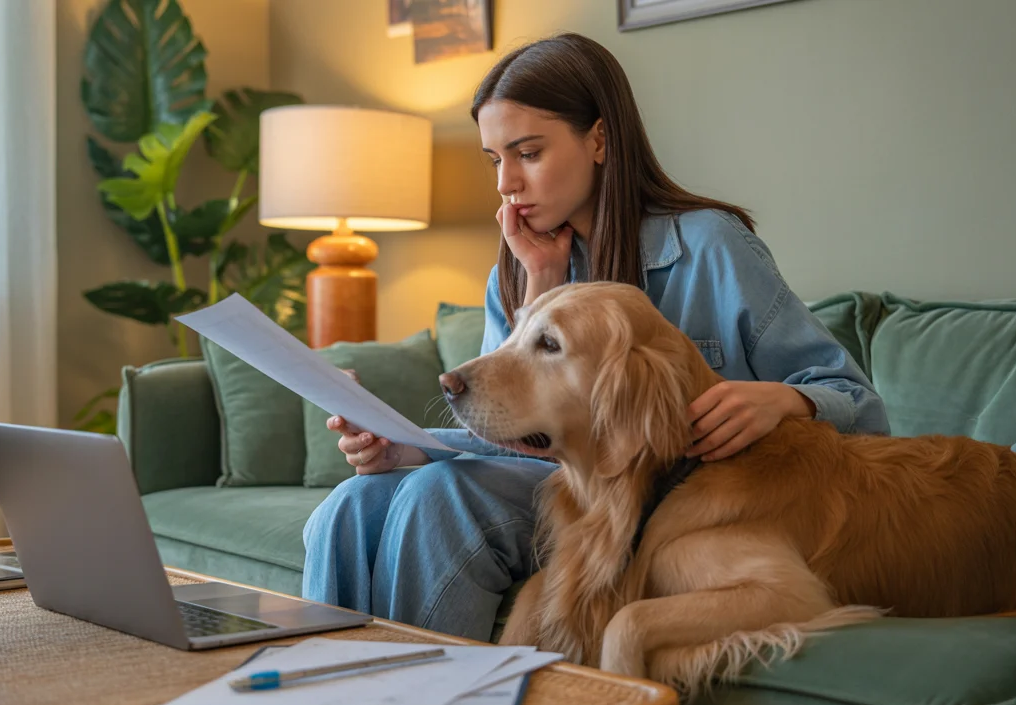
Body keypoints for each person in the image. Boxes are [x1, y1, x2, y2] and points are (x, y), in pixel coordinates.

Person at [301, 32, 890, 643]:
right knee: (353, 503)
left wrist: (785, 400)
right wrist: (407, 448)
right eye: (495, 160)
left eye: (528, 153)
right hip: (569, 484)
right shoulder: (515, 270)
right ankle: (323, 686)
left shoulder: (709, 246)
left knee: (438, 499)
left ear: (600, 139)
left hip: (679, 498)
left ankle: (426, 694)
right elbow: (515, 438)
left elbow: (862, 407)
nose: (506, 183)